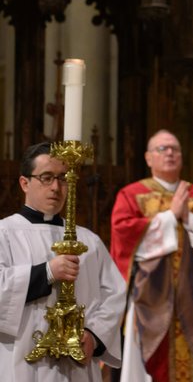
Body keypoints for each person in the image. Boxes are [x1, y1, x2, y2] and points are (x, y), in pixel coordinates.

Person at [110, 130, 193, 382]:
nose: (169, 153)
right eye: (162, 149)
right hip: (149, 297)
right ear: (148, 158)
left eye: (175, 149)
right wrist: (170, 217)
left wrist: (190, 217)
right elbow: (123, 232)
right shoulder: (131, 194)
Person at [0, 141, 126, 381]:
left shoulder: (90, 241)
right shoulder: (4, 233)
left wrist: (94, 336)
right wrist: (46, 272)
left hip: (75, 368)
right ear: (24, 183)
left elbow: (114, 295)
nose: (56, 187)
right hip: (19, 363)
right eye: (46, 177)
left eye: (63, 178)